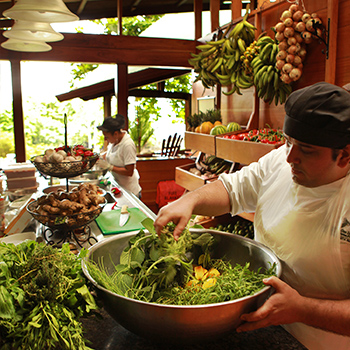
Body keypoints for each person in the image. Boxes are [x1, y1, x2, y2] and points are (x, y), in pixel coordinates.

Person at [154, 82, 350, 350]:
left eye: (306, 150)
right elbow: (232, 189)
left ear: (345, 155)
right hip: (263, 328)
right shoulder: (280, 160)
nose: (290, 157)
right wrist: (190, 200)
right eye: (288, 141)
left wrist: (303, 309)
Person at [97, 114, 142, 198]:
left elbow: (129, 171)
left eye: (107, 136)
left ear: (116, 133)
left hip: (130, 191)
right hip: (119, 187)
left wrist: (109, 167)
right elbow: (113, 155)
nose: (105, 139)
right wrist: (99, 157)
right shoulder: (114, 142)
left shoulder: (127, 145)